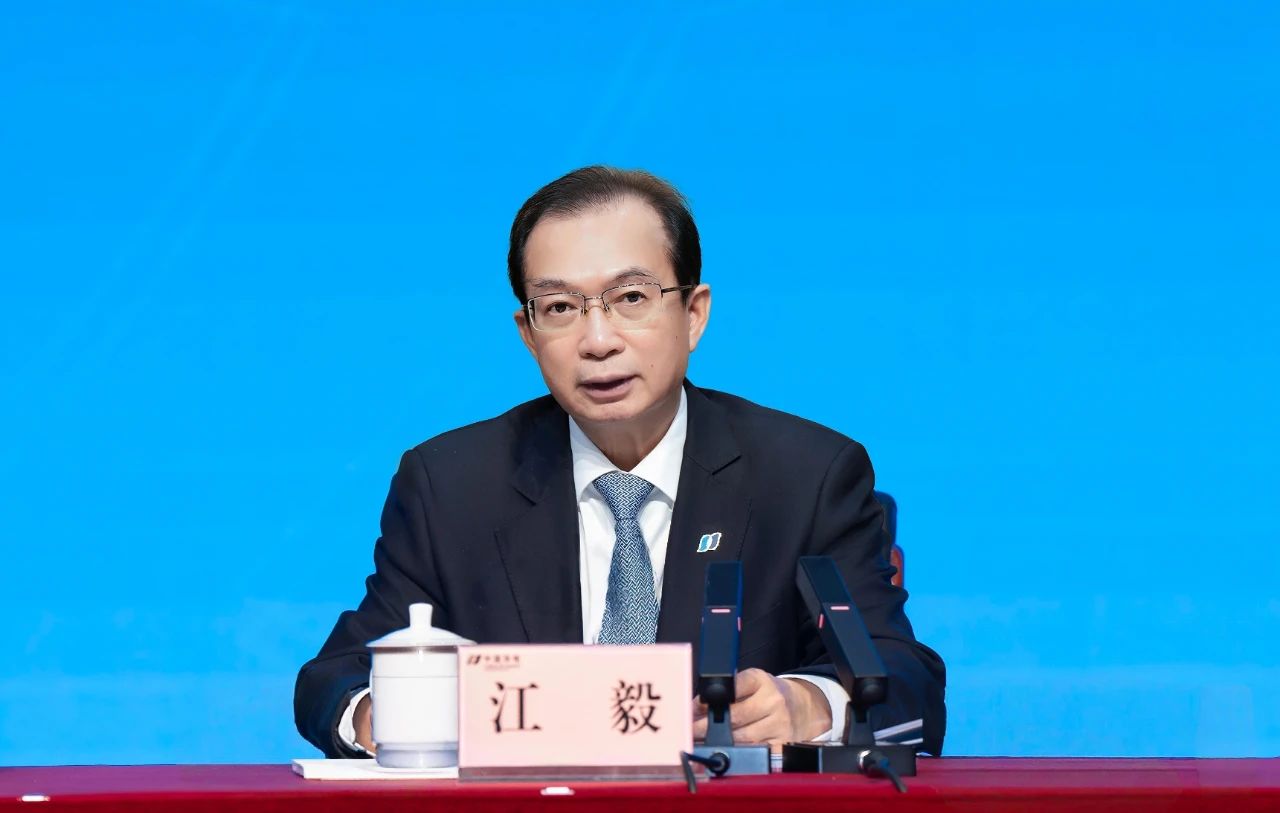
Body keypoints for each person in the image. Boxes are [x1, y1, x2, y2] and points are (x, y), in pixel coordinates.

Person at [294, 166, 946, 758]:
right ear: (528, 334)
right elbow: (335, 680)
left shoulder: (806, 476)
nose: (598, 340)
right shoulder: (453, 486)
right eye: (559, 308)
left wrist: (807, 706)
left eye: (631, 298)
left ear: (693, 314)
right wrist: (384, 715)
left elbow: (907, 686)